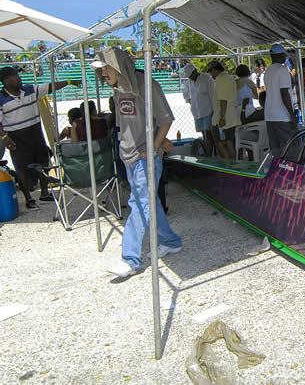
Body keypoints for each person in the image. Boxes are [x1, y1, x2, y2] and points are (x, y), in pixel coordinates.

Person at [91, 47, 181, 278]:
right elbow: (133, 123)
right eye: (101, 70)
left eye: (106, 68)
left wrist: (153, 148)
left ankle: (130, 258)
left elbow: (166, 119)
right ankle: (170, 241)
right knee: (150, 202)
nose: (103, 74)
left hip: (144, 156)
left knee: (139, 202)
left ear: (119, 66)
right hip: (128, 154)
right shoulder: (117, 89)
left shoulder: (146, 84)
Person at [0, 66, 81, 210]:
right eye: (15, 76)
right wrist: (5, 137)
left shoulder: (30, 89)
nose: (19, 78)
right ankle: (29, 199)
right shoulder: (1, 98)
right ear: (6, 80)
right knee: (22, 169)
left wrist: (69, 81)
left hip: (36, 133)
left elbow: (50, 86)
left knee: (43, 162)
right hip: (17, 138)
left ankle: (45, 193)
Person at [265, 44, 297, 156]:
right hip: (282, 116)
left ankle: (277, 172)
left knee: (276, 150)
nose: (285, 57)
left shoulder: (268, 71)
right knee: (289, 149)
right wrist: (292, 114)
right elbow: (284, 93)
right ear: (278, 55)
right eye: (283, 55)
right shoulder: (282, 70)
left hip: (269, 116)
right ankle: (289, 172)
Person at [205, 60, 240, 159]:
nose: (210, 74)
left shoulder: (220, 79)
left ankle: (228, 166)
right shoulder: (230, 78)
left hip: (223, 117)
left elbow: (223, 100)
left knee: (220, 144)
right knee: (229, 142)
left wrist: (222, 117)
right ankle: (233, 167)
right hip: (232, 116)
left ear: (215, 70)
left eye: (210, 71)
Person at [182, 63, 216, 155]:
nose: (190, 78)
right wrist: (190, 102)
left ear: (195, 71)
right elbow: (186, 95)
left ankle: (209, 154)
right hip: (197, 112)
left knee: (208, 133)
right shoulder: (188, 82)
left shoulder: (207, 79)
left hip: (208, 111)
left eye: (191, 75)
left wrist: (214, 110)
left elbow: (213, 95)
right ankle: (207, 152)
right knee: (203, 134)